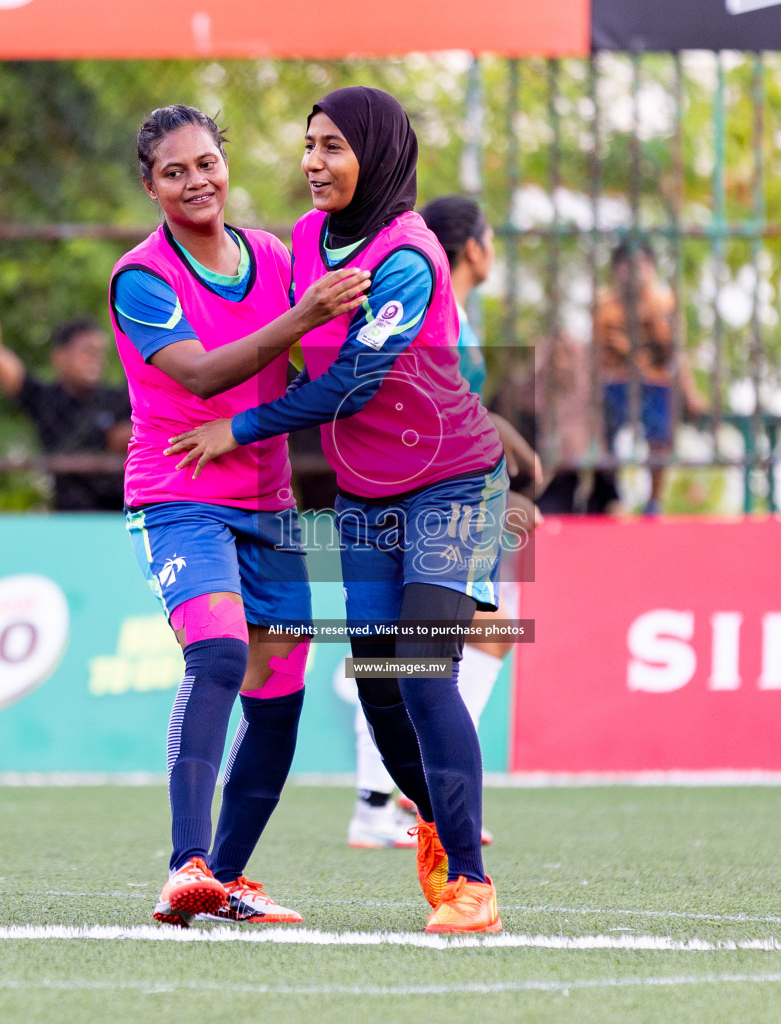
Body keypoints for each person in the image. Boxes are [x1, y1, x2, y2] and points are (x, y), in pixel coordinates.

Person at [168, 87, 508, 934]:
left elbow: (351, 380)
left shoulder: (409, 257)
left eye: (334, 148)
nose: (315, 162)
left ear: (379, 154)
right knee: (380, 688)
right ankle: (437, 820)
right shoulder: (313, 239)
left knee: (426, 674)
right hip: (365, 493)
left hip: (450, 484)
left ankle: (471, 882)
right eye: (310, 144)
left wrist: (235, 425)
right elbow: (284, 338)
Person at [109, 105, 368, 926]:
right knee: (219, 652)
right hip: (179, 493)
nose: (198, 181)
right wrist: (304, 315)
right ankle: (184, 864)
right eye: (175, 171)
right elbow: (206, 376)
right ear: (151, 186)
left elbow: (321, 360)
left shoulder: (271, 255)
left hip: (271, 503)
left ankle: (226, 877)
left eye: (208, 163)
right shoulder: (141, 277)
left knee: (281, 689)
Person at [343, 193, 542, 850]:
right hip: (426, 495)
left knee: (467, 638)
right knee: (432, 647)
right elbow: (423, 404)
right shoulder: (437, 305)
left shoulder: (453, 309)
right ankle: (411, 794)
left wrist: (506, 439)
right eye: (490, 237)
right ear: (475, 247)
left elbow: (456, 400)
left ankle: (391, 798)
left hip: (439, 490)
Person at [0, 244, 130, 511]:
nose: (95, 359)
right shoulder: (43, 399)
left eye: (99, 352)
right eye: (86, 351)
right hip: (68, 516)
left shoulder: (119, 399)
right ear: (60, 357)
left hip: (122, 514)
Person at [590, 239, 706, 514]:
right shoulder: (604, 304)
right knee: (602, 432)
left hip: (654, 383)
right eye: (626, 266)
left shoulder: (664, 301)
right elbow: (596, 355)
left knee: (660, 432)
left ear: (651, 269)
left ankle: (654, 501)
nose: (633, 272)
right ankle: (611, 495)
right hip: (615, 383)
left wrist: (690, 394)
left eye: (640, 265)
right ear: (615, 270)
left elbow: (676, 354)